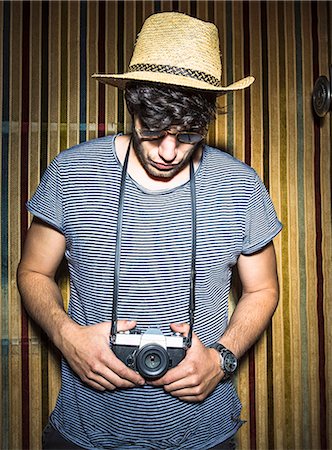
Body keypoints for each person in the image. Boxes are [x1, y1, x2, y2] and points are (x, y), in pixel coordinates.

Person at [17, 12, 282, 450]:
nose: (168, 151)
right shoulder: (71, 171)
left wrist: (222, 359)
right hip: (84, 432)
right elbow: (31, 273)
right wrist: (68, 339)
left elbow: (263, 290)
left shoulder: (242, 184)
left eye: (188, 136)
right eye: (154, 130)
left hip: (203, 433)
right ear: (132, 106)